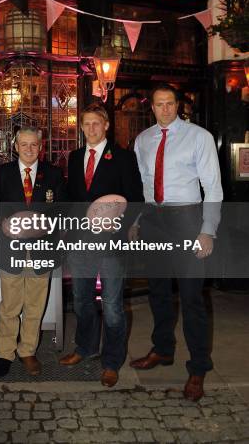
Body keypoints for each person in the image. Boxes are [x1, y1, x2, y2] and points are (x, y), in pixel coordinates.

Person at [131, 83, 223, 401]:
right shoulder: (142, 140)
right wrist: (138, 220)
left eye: (170, 103)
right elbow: (144, 183)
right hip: (154, 221)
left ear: (178, 105)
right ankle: (163, 349)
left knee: (191, 297)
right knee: (158, 290)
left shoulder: (200, 137)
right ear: (152, 107)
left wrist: (207, 231)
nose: (166, 109)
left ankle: (198, 367)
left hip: (187, 220)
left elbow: (212, 187)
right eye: (159, 104)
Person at [59, 103, 144, 387]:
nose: (91, 129)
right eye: (86, 124)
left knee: (112, 306)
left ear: (106, 125)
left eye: (96, 123)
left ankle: (111, 361)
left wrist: (123, 225)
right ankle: (85, 348)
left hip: (111, 243)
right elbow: (72, 199)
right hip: (80, 242)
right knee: (82, 301)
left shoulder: (123, 157)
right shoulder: (74, 157)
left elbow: (134, 199)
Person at [0, 126, 67, 377]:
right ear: (15, 146)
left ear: (40, 147)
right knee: (9, 306)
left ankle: (27, 350)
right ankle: (5, 352)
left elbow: (61, 210)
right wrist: (3, 223)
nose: (30, 149)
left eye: (34, 144)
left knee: (35, 306)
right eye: (24, 144)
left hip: (42, 250)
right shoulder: (2, 173)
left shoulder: (53, 174)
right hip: (10, 248)